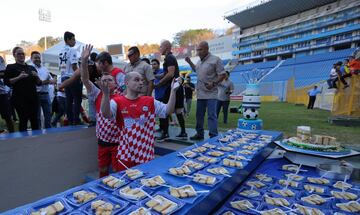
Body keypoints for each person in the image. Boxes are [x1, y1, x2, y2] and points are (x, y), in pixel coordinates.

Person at [101, 70, 179, 168]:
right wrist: (105, 94)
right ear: (127, 83)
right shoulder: (117, 101)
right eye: (137, 80)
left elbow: (168, 110)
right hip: (126, 156)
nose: (141, 83)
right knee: (126, 183)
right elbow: (105, 114)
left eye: (142, 80)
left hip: (146, 156)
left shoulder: (149, 101)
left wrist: (173, 90)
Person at [80, 44, 126, 177]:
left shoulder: (121, 97)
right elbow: (84, 79)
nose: (106, 82)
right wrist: (83, 61)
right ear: (100, 83)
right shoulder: (97, 93)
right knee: (103, 171)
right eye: (103, 80)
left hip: (118, 143)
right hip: (102, 143)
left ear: (115, 84)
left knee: (119, 173)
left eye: (109, 80)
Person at [185, 41, 226, 140]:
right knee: (199, 115)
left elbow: (222, 74)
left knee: (211, 115)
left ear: (207, 49)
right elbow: (196, 70)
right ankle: (199, 134)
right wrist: (190, 62)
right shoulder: (199, 61)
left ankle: (213, 135)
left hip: (211, 93)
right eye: (197, 50)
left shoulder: (216, 60)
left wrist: (214, 83)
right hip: (200, 93)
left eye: (200, 49)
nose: (198, 52)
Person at [156, 40, 187, 141]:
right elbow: (166, 73)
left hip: (172, 87)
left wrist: (159, 83)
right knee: (178, 110)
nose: (160, 48)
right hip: (176, 86)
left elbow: (170, 74)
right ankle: (183, 132)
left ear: (166, 47)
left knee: (164, 109)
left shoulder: (169, 57)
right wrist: (155, 75)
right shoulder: (170, 57)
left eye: (161, 46)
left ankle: (165, 133)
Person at [4, 47, 42, 131]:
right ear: (14, 55)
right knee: (23, 120)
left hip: (33, 98)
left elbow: (39, 83)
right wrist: (19, 77)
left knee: (35, 120)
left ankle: (38, 141)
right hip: (19, 99)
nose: (21, 55)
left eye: (23, 54)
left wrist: (37, 76)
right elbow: (7, 82)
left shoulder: (31, 68)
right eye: (19, 54)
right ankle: (23, 141)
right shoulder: (11, 67)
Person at [59, 31, 82, 125]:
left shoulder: (60, 51)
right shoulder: (72, 50)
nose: (75, 41)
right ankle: (76, 120)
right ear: (68, 40)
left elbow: (61, 67)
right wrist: (78, 75)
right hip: (72, 76)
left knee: (69, 99)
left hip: (64, 76)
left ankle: (70, 119)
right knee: (77, 98)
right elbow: (74, 65)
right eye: (73, 39)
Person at [31, 51, 55, 129]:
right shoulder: (30, 69)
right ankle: (38, 134)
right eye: (35, 58)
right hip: (35, 95)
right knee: (37, 116)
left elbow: (52, 81)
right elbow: (37, 83)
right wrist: (45, 81)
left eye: (38, 57)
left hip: (46, 94)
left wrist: (45, 81)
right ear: (31, 59)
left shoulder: (45, 69)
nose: (37, 59)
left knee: (48, 114)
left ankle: (49, 132)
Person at [0, 56, 14, 133]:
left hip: (2, 93)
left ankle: (13, 137)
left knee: (7, 116)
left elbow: (3, 73)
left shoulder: (0, 59)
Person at [152, 59, 166, 133]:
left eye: (154, 64)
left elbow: (163, 80)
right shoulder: (152, 72)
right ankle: (161, 127)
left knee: (163, 112)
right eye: (152, 64)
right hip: (157, 95)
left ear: (158, 64)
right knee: (159, 113)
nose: (153, 66)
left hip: (163, 94)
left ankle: (165, 129)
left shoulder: (162, 71)